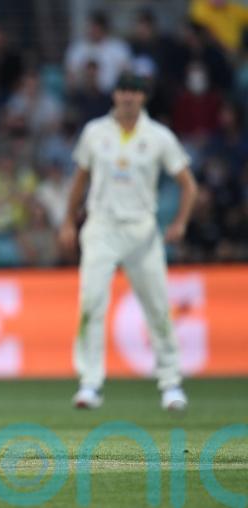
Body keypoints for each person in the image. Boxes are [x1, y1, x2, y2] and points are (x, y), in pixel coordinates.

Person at [59, 72, 198, 412]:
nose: (128, 97)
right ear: (115, 95)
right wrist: (68, 222)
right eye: (123, 90)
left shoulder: (159, 136)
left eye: (134, 92)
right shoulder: (95, 132)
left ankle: (171, 382)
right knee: (91, 303)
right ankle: (90, 383)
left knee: (158, 306)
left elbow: (188, 184)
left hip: (141, 229)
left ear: (143, 97)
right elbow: (79, 180)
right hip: (102, 226)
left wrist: (180, 222)